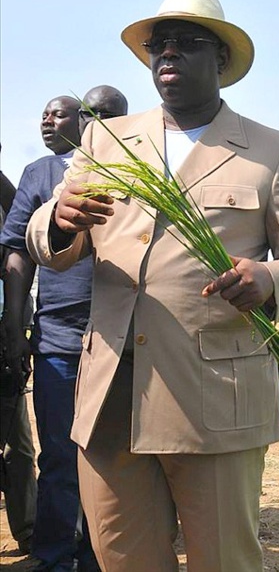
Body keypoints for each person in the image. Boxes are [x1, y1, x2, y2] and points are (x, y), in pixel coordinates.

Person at [25, 0, 279, 572]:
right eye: (157, 44)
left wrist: (270, 278)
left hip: (214, 399)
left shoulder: (269, 151)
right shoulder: (107, 139)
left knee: (223, 559)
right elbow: (53, 233)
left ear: (221, 60)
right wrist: (58, 220)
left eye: (186, 43)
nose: (167, 53)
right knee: (123, 557)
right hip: (112, 394)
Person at [1, 89, 127, 571]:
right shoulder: (41, 175)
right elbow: (17, 251)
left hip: (123, 342)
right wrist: (17, 328)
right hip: (58, 341)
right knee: (57, 458)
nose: (48, 122)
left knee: (115, 460)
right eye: (44, 114)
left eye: (61, 114)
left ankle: (103, 557)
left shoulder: (142, 173)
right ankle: (54, 557)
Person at [0, 163, 37, 557]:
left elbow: (16, 214)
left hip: (5, 341)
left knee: (19, 447)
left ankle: (28, 529)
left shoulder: (8, 206)